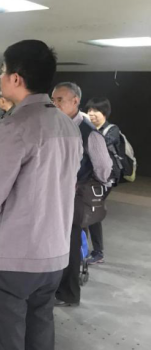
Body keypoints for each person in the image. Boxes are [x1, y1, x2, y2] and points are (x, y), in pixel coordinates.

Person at [0, 40, 83, 350]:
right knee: (39, 333)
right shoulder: (67, 126)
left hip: (8, 260)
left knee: (2, 340)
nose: (0, 77)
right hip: (53, 255)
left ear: (15, 78)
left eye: (1, 71)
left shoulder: (12, 126)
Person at [51, 83, 112, 307]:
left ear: (75, 101)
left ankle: (68, 294)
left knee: (70, 245)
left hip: (74, 198)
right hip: (54, 196)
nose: (55, 104)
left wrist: (87, 185)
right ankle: (55, 288)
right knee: (57, 244)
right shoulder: (55, 125)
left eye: (60, 100)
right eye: (53, 100)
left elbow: (104, 169)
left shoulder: (88, 132)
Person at [86, 97, 122, 265]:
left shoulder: (111, 130)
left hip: (106, 179)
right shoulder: (88, 129)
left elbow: (100, 148)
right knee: (86, 211)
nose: (92, 114)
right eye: (89, 110)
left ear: (105, 113)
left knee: (93, 211)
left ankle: (98, 252)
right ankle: (82, 247)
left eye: (96, 110)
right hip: (90, 178)